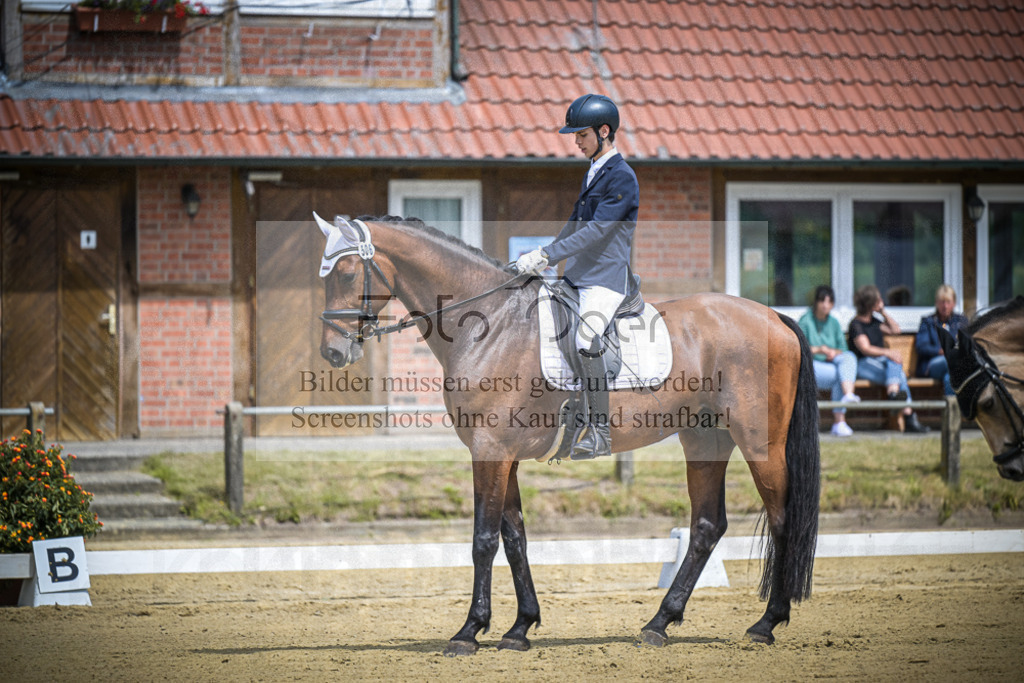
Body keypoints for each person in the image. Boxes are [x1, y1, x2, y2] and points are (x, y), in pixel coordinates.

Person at [515, 93, 640, 459]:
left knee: (586, 339)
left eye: (581, 134)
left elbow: (597, 231)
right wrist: (543, 259)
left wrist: (548, 253)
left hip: (606, 278)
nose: (576, 141)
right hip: (578, 276)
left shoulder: (623, 176)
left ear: (604, 131)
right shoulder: (594, 171)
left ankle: (599, 431)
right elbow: (574, 224)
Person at [848, 284, 930, 433]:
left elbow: (895, 330)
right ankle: (909, 417)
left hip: (881, 365)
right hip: (862, 365)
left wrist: (883, 312)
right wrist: (888, 353)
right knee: (898, 372)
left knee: (896, 367)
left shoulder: (875, 321)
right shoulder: (856, 324)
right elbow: (865, 349)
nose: (881, 301)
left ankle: (894, 394)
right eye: (878, 300)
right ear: (870, 303)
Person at [798, 285, 861, 437]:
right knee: (839, 375)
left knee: (850, 357)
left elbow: (843, 349)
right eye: (822, 301)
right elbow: (799, 348)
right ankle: (839, 422)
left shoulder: (834, 322)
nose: (825, 305)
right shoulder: (806, 321)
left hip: (831, 364)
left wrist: (834, 352)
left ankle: (848, 394)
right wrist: (820, 349)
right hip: (811, 366)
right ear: (816, 302)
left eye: (829, 302)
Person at [915, 284, 969, 395]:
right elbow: (921, 347)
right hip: (933, 364)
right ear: (936, 303)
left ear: (954, 303)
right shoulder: (928, 322)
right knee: (949, 362)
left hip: (953, 365)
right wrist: (940, 351)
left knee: (949, 377)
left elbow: (968, 343)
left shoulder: (961, 321)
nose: (945, 306)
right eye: (942, 302)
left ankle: (951, 409)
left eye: (948, 302)